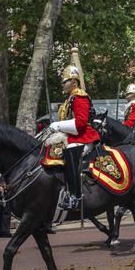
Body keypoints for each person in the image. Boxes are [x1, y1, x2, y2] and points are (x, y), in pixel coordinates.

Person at [46, 64, 101, 210]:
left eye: (66, 81)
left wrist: (58, 125)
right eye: (63, 81)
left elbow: (80, 124)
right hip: (72, 136)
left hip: (84, 136)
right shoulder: (69, 100)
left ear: (74, 82)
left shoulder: (80, 97)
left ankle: (75, 197)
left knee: (70, 151)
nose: (63, 84)